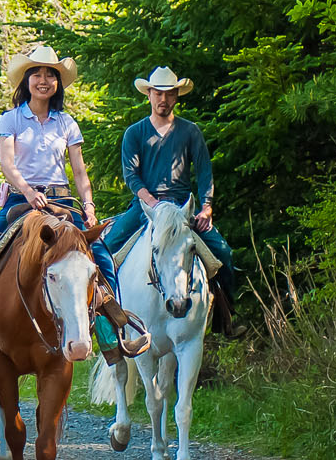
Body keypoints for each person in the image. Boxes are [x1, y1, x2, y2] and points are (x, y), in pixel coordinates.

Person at [0, 45, 148, 358]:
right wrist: (29, 192)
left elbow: (79, 171)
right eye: (38, 74)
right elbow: (7, 164)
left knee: (101, 258)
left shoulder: (67, 123)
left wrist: (88, 207)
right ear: (27, 80)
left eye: (51, 75)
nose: (44, 80)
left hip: (62, 201)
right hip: (20, 200)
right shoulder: (10, 119)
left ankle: (114, 332)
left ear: (58, 83)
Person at [100, 65, 244, 337]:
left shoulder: (190, 131)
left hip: (181, 208)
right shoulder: (135, 133)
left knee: (223, 252)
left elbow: (204, 171)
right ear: (149, 95)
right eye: (158, 93)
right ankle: (107, 322)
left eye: (169, 93)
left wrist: (206, 208)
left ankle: (225, 318)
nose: (163, 99)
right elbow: (131, 175)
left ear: (176, 96)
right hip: (145, 208)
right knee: (106, 250)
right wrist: (150, 202)